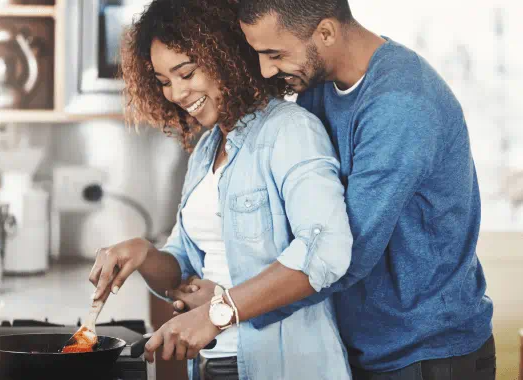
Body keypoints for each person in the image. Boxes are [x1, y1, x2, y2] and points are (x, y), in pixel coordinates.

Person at [194, 1, 494, 379]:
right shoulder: (317, 89)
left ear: (326, 32)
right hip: (364, 346)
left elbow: (342, 252)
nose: (266, 69)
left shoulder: (401, 104)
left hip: (426, 354)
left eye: (275, 54)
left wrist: (230, 306)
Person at [88, 0, 354, 379]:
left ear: (225, 54)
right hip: (213, 364)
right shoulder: (207, 148)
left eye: (186, 73)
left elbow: (326, 249)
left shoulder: (290, 131)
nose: (177, 93)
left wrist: (219, 311)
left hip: (281, 366)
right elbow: (182, 270)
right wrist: (143, 254)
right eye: (164, 81)